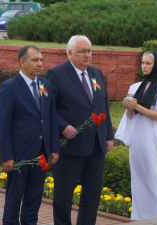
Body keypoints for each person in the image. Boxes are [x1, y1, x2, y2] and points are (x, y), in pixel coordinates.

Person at [46, 35, 113, 225]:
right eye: (82, 51)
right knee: (63, 196)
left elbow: (103, 106)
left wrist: (108, 135)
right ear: (70, 54)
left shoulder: (96, 73)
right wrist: (63, 126)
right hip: (70, 148)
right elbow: (48, 107)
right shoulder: (56, 74)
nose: (87, 55)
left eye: (89, 51)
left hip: (96, 147)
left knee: (92, 195)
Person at [0, 46, 60, 225]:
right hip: (18, 155)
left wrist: (54, 147)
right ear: (22, 62)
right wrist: (7, 156)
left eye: (41, 60)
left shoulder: (44, 84)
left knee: (34, 197)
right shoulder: (9, 87)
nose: (40, 63)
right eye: (35, 60)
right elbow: (3, 125)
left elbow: (50, 118)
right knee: (14, 199)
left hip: (41, 153)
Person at [114, 51, 157, 220]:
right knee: (138, 175)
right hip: (137, 136)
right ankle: (140, 214)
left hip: (151, 137)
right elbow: (130, 116)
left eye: (148, 63)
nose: (144, 66)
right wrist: (128, 107)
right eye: (143, 63)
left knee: (153, 174)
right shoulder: (134, 88)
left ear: (156, 65)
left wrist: (137, 106)